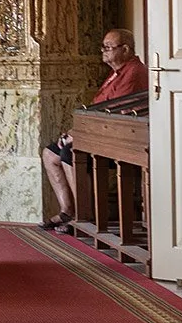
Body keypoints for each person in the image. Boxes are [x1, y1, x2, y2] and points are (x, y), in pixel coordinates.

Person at [43, 28, 147, 231]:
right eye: (103, 47)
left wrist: (78, 136)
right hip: (101, 133)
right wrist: (73, 132)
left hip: (120, 139)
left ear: (125, 49)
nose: (103, 51)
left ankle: (85, 218)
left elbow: (114, 112)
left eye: (108, 47)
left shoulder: (134, 72)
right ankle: (67, 211)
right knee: (50, 154)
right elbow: (96, 108)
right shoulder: (116, 72)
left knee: (69, 153)